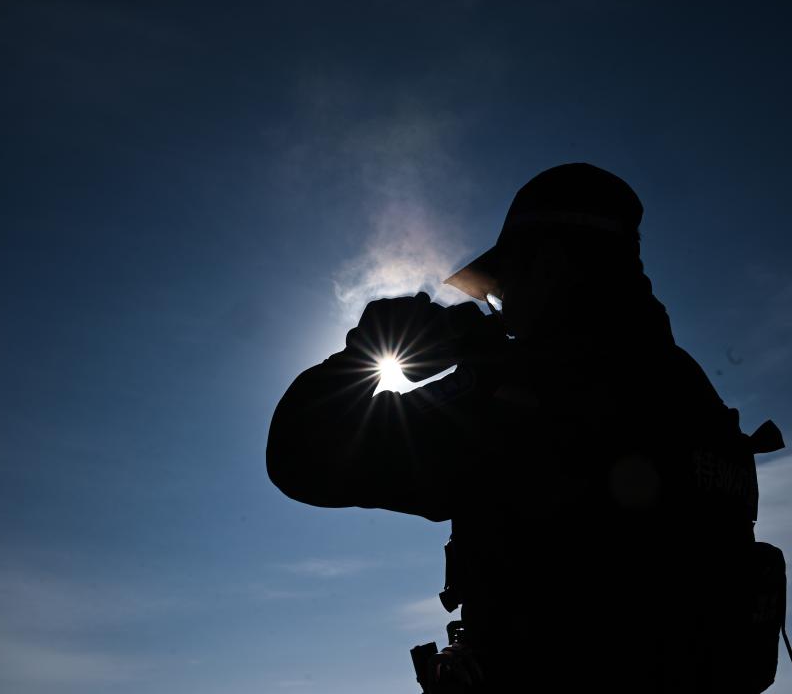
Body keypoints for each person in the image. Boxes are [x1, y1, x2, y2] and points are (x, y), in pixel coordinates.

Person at [267, 163, 764, 693]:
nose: (498, 311)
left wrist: (365, 352)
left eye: (502, 290)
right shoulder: (691, 394)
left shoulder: (521, 392)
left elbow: (301, 454)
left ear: (548, 266)